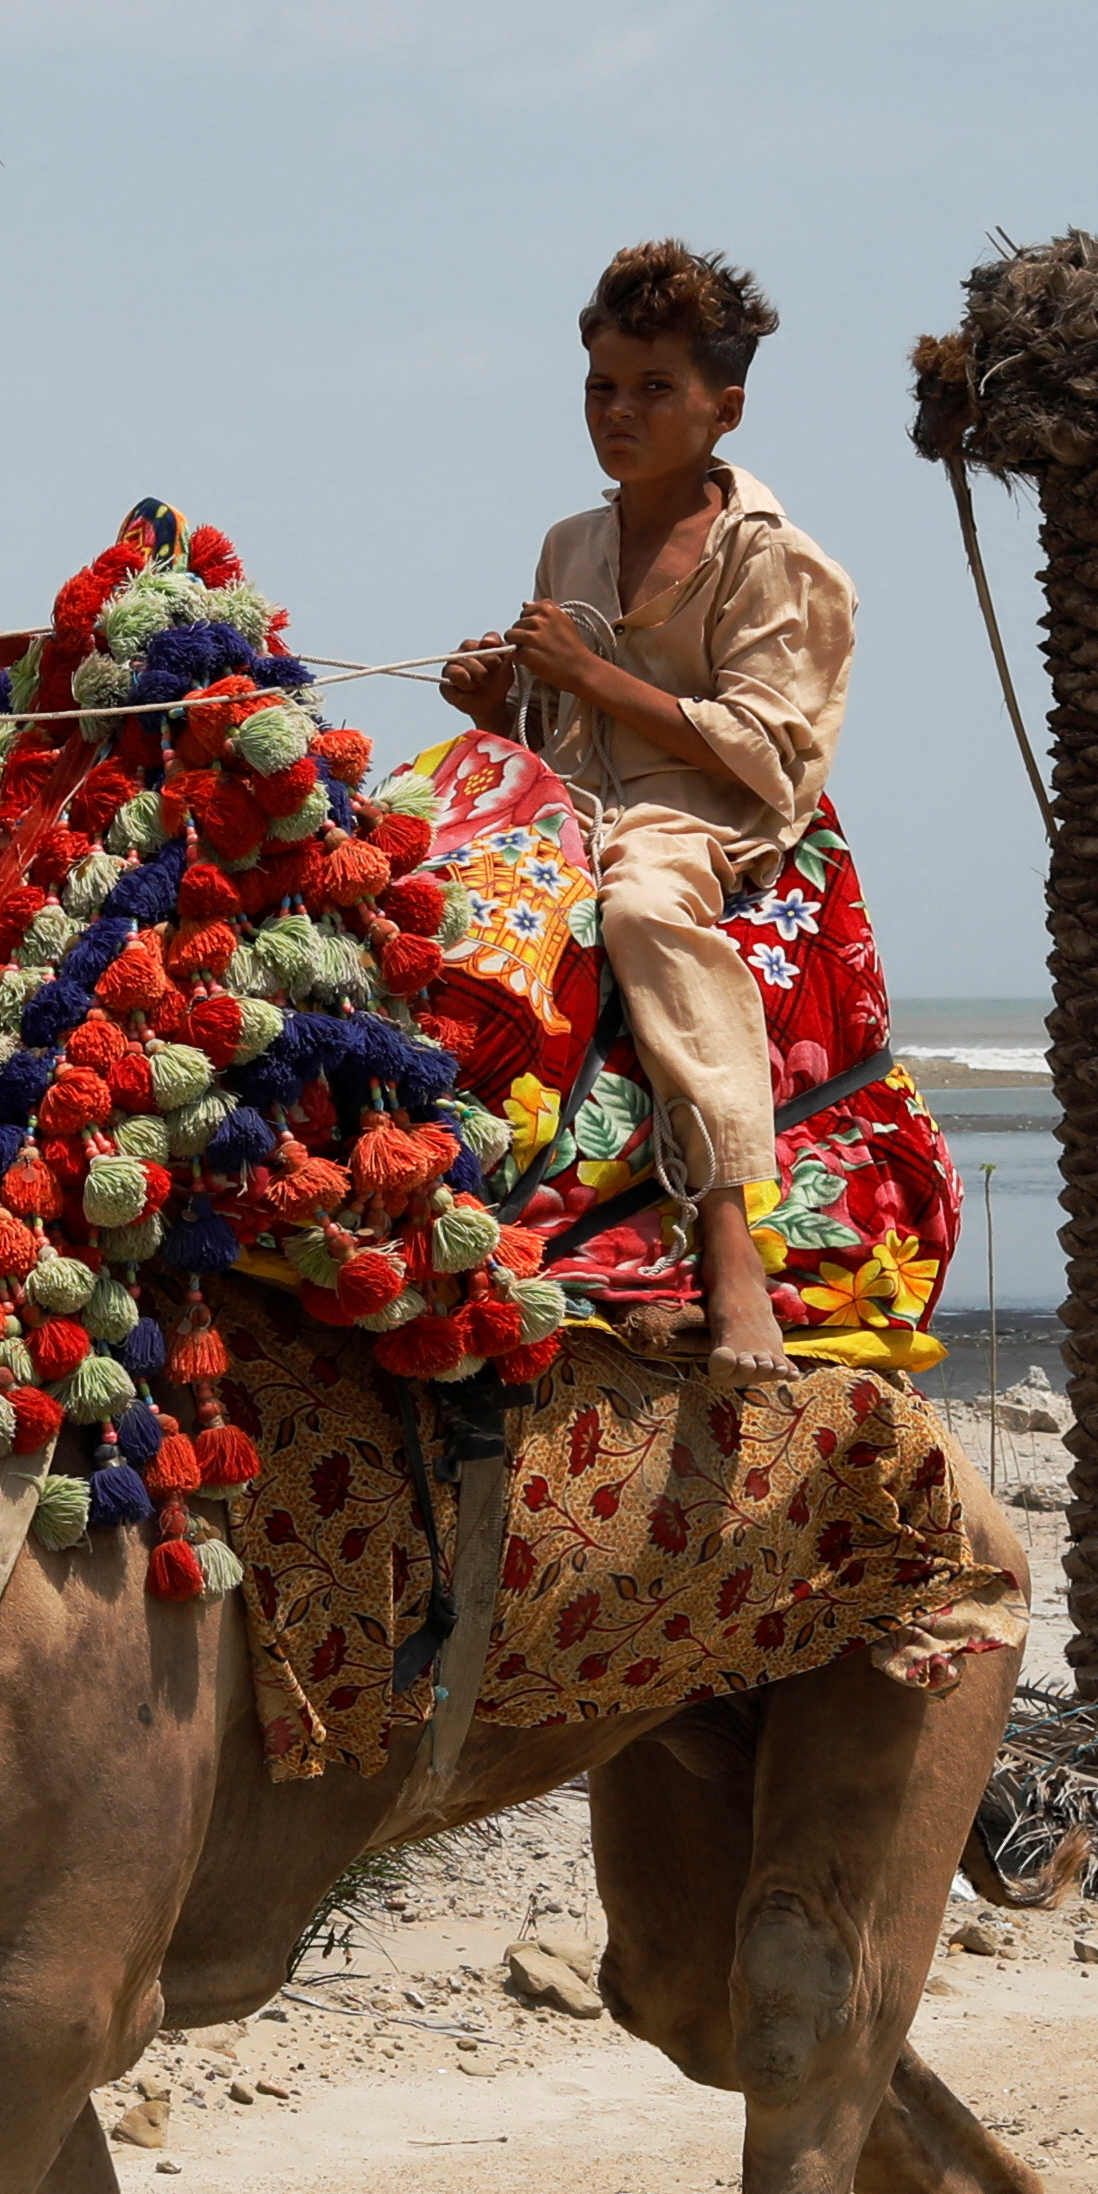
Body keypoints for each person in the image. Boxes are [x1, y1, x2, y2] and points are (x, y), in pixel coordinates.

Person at [438, 236, 857, 1376]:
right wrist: (499, 709)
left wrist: (590, 676)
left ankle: (728, 1240)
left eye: (653, 390)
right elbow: (555, 731)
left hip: (695, 818)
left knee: (638, 912)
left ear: (724, 407)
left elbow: (773, 751)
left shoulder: (776, 559)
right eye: (601, 387)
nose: (618, 412)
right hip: (570, 800)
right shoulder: (571, 541)